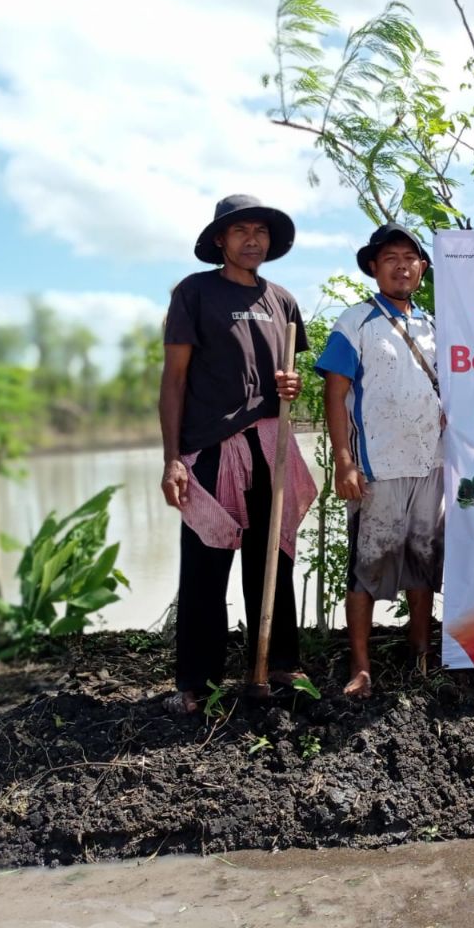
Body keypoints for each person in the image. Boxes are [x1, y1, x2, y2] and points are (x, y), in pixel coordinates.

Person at [159, 194, 315, 716]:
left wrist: (291, 385)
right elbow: (174, 380)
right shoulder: (194, 293)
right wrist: (173, 457)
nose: (253, 240)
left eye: (261, 232)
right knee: (205, 564)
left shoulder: (283, 302)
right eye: (241, 231)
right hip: (210, 448)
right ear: (221, 241)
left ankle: (277, 664)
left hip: (270, 446)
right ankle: (198, 681)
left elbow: (289, 383)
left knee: (274, 556)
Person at [316, 223, 445, 699]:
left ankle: (420, 648)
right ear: (374, 267)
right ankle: (361, 664)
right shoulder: (356, 321)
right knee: (368, 565)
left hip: (430, 463)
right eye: (390, 258)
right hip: (378, 468)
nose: (401, 266)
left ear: (423, 268)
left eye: (410, 258)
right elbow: (336, 393)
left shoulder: (433, 326)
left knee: (424, 559)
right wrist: (344, 462)